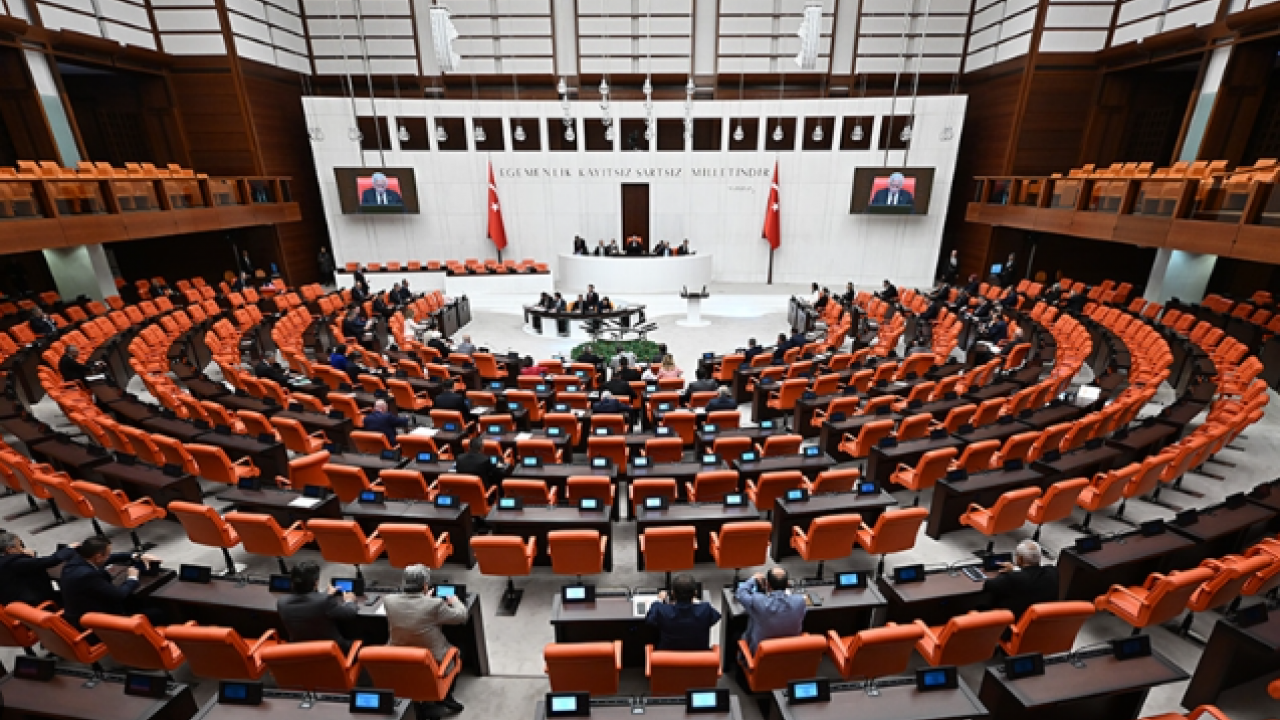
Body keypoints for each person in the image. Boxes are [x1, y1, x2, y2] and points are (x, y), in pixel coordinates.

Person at [384, 565, 467, 713]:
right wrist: (454, 600)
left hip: (397, 657)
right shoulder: (435, 604)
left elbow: (412, 609)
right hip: (432, 659)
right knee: (460, 651)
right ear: (425, 585)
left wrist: (423, 599)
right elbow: (461, 616)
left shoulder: (389, 600)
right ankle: (444, 695)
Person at [60, 536, 161, 630]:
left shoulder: (76, 560)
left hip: (82, 613)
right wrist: (132, 577)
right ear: (98, 557)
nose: (109, 556)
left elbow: (110, 558)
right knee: (156, 612)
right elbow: (119, 595)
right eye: (107, 554)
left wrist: (135, 556)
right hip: (96, 623)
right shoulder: (87, 575)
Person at [277, 561, 359, 651]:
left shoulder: (282, 602)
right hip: (333, 651)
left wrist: (326, 595)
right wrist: (349, 600)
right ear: (316, 582)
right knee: (366, 637)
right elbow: (349, 613)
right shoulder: (324, 601)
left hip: (301, 652)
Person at [735, 567, 805, 655]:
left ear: (767, 585)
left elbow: (740, 593)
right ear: (788, 584)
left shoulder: (758, 601)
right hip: (790, 654)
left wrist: (753, 579)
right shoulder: (799, 602)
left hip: (761, 656)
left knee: (748, 625)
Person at [983, 539, 1057, 620]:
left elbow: (988, 585)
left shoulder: (1013, 579)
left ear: (1020, 559)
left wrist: (1007, 573)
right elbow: (1031, 574)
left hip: (1013, 623)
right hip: (1041, 622)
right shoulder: (1053, 572)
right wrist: (1015, 569)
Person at [645, 573, 721, 651]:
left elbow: (650, 620)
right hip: (699, 659)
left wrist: (659, 599)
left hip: (667, 659)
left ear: (673, 593)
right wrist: (695, 601)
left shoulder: (662, 610)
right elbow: (716, 617)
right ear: (695, 593)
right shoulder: (705, 609)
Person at [0, 532, 77, 607]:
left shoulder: (4, 561)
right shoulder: (14, 562)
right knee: (72, 597)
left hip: (14, 603)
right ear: (10, 549)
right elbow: (50, 561)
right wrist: (69, 548)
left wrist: (27, 557)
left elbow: (31, 565)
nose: (22, 549)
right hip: (34, 602)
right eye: (20, 546)